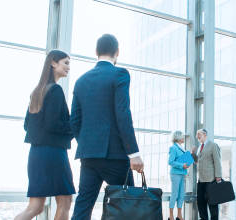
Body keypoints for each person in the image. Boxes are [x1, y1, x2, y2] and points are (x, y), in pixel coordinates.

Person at [70, 34, 144, 220]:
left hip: (89, 155)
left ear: (96, 52)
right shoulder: (119, 74)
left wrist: (88, 143)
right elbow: (123, 114)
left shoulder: (81, 81)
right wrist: (133, 154)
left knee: (82, 208)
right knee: (127, 207)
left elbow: (75, 121)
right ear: (117, 52)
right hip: (115, 155)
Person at [16, 50, 75, 220]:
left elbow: (28, 126)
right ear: (53, 63)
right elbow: (53, 124)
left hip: (36, 154)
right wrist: (75, 124)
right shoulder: (55, 90)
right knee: (65, 202)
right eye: (66, 63)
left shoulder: (37, 91)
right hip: (53, 154)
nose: (68, 67)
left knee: (34, 207)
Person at [190, 129, 222, 220]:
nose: (197, 136)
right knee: (201, 202)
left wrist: (218, 176)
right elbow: (197, 162)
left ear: (204, 134)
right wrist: (193, 153)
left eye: (198, 134)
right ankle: (203, 218)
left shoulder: (213, 145)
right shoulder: (200, 147)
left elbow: (217, 162)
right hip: (201, 179)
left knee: (212, 202)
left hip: (210, 179)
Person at [168, 130, 189, 220]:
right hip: (175, 173)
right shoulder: (173, 147)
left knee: (181, 195)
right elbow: (170, 161)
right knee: (174, 194)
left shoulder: (181, 147)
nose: (184, 138)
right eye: (183, 136)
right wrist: (182, 165)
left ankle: (179, 215)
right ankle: (171, 216)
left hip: (182, 173)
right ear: (178, 137)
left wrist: (187, 163)